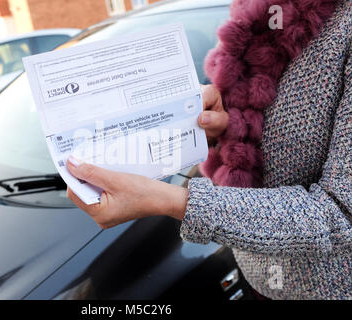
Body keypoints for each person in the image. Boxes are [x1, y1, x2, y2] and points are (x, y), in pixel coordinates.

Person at [66, 0, 351, 299]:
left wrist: (172, 200)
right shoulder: (257, 13)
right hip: (255, 279)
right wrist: (223, 126)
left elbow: (341, 212)